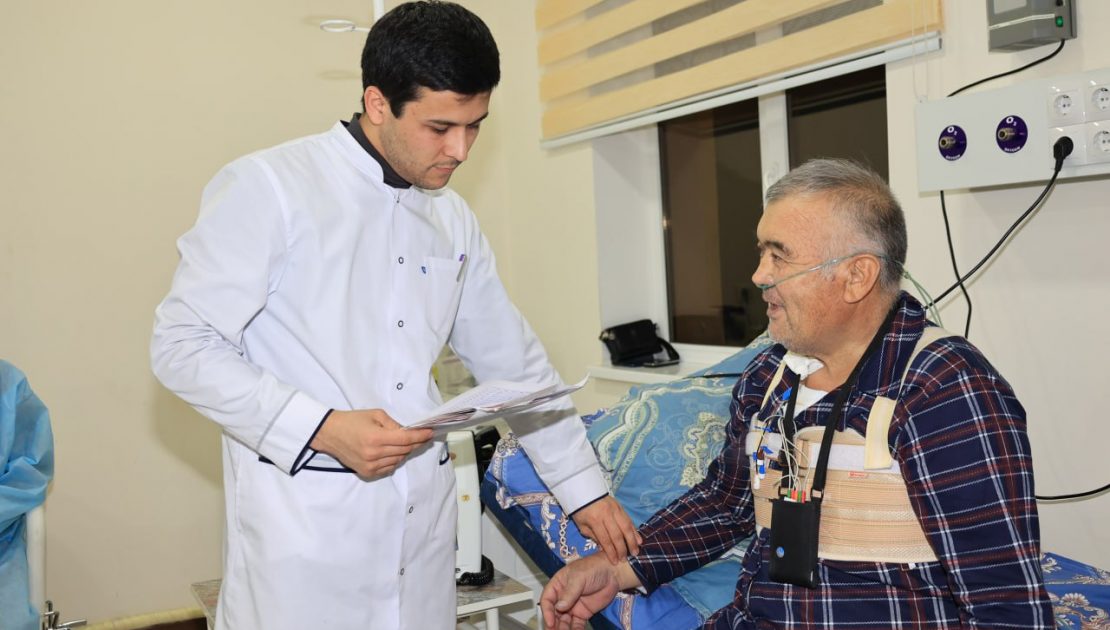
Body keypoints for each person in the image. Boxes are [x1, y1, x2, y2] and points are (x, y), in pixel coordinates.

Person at [150, 2, 638, 628]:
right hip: (306, 537)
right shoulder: (269, 187)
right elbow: (182, 344)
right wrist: (322, 427)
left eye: (475, 126)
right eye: (440, 127)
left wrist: (583, 490)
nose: (460, 149)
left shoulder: (452, 217)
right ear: (377, 104)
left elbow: (515, 365)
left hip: (422, 535)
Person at [541, 159, 1054, 629]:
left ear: (856, 276)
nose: (758, 276)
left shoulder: (943, 387)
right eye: (761, 252)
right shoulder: (770, 376)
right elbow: (728, 505)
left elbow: (1003, 603)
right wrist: (616, 568)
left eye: (779, 257)